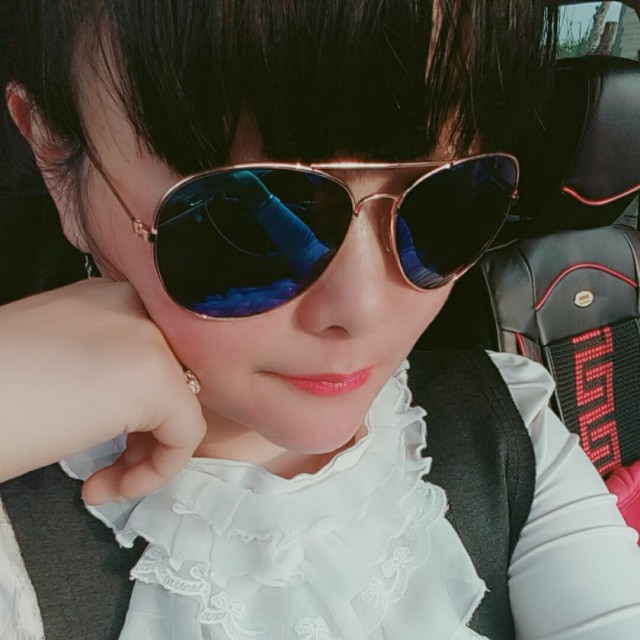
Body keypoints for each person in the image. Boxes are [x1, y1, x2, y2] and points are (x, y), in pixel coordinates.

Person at [1, 2, 639, 639]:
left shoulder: (510, 428)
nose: (363, 309)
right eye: (242, 219)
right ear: (56, 154)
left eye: (445, 203)